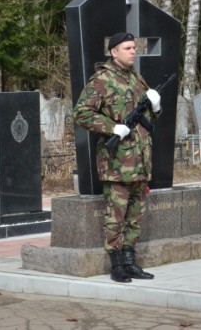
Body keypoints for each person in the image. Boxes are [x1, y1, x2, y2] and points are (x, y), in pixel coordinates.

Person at [73, 32, 159, 283]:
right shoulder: (102, 79)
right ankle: (117, 264)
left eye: (134, 47)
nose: (133, 51)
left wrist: (156, 107)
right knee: (116, 215)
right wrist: (111, 128)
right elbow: (81, 113)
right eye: (128, 48)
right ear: (114, 52)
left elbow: (149, 121)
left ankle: (131, 261)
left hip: (141, 160)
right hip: (117, 162)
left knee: (135, 215)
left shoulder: (137, 78)